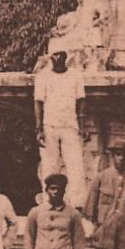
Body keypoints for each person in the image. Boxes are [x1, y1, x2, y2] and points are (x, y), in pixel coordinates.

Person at [34, 50, 87, 211]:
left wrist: (82, 125)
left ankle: (77, 203)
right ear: (50, 58)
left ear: (66, 58)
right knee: (49, 164)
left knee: (76, 164)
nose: (58, 59)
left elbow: (81, 101)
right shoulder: (43, 76)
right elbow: (38, 102)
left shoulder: (75, 75)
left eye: (61, 56)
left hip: (70, 125)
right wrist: (39, 128)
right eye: (55, 56)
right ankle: (47, 202)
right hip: (49, 125)